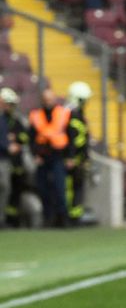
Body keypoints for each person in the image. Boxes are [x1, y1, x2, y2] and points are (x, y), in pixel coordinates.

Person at [29, 87, 70, 227]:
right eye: (45, 99)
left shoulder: (63, 113)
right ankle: (48, 218)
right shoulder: (36, 115)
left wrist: (69, 157)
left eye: (50, 99)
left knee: (59, 188)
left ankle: (63, 218)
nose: (48, 102)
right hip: (42, 157)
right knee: (43, 189)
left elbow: (69, 135)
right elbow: (31, 138)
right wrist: (35, 155)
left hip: (58, 156)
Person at [2, 88, 32, 228]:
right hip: (5, 158)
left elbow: (24, 136)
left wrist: (16, 140)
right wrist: (8, 142)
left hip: (15, 162)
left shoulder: (16, 120)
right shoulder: (3, 120)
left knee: (13, 190)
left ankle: (11, 219)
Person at [65, 82, 91, 225]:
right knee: (71, 188)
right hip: (73, 159)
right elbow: (73, 139)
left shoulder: (76, 115)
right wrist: (71, 157)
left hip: (78, 158)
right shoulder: (72, 116)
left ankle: (75, 215)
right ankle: (70, 216)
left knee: (77, 188)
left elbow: (83, 139)